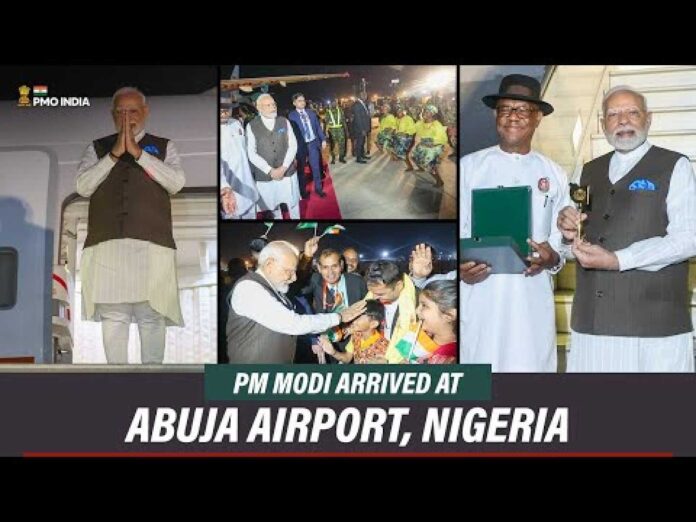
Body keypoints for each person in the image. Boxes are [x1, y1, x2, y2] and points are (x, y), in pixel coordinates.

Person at [557, 85, 696, 372]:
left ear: (648, 119)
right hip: (591, 323)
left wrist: (620, 259)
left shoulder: (674, 165)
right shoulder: (587, 170)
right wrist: (568, 233)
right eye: (613, 114)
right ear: (602, 124)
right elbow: (574, 245)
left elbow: (689, 238)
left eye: (632, 112)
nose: (622, 120)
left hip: (655, 327)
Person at [460, 74, 571, 372]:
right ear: (496, 115)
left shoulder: (555, 174)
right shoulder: (468, 168)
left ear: (537, 119)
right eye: (506, 109)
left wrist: (553, 256)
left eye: (523, 110)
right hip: (480, 295)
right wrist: (461, 268)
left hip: (530, 297)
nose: (513, 117)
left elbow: (562, 240)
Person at [76, 86, 185, 364]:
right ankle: (118, 386)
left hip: (152, 247)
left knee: (151, 317)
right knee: (114, 319)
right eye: (121, 111)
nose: (127, 117)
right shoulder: (97, 147)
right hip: (107, 247)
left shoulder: (163, 146)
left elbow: (175, 183)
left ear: (145, 112)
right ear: (113, 115)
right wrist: (113, 155)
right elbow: (83, 186)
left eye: (133, 110)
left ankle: (152, 386)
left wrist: (138, 153)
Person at [227, 241, 366, 363]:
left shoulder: (274, 287)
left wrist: (306, 256)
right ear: (269, 265)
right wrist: (340, 317)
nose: (293, 278)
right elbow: (293, 323)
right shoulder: (249, 289)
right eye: (289, 271)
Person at [246, 94, 300, 219]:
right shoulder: (251, 126)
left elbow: (293, 145)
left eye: (274, 104)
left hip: (287, 172)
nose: (273, 107)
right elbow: (251, 153)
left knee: (293, 204)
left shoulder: (284, 121)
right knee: (273, 206)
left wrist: (284, 167)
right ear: (259, 108)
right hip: (266, 176)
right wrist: (270, 170)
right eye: (268, 105)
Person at [364, 261, 419, 363]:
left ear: (399, 286)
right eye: (372, 292)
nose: (375, 297)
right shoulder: (372, 297)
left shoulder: (418, 306)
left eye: (381, 294)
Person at [317, 300, 389, 364]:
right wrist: (333, 352)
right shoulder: (356, 335)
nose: (353, 320)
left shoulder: (383, 346)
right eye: (354, 317)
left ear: (373, 324)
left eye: (358, 318)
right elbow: (347, 358)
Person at [220, 105, 258, 219]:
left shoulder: (236, 123)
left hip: (247, 184)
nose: (224, 113)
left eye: (227, 109)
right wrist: (224, 187)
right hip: (228, 190)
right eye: (221, 110)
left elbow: (245, 152)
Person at [288, 93, 328, 198]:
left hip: (312, 144)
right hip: (300, 146)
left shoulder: (311, 113)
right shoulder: (291, 116)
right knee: (301, 170)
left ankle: (318, 189)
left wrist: (323, 139)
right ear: (294, 103)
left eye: (303, 100)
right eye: (300, 100)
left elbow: (318, 127)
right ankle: (303, 191)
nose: (302, 102)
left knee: (315, 167)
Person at [416, 280, 457, 364]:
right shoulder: (418, 335)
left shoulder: (450, 360)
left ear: (449, 315)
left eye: (424, 305)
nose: (417, 311)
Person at [411, 105, 449, 186]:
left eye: (427, 112)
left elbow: (443, 138)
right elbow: (412, 129)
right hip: (424, 144)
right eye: (424, 111)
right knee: (414, 156)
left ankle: (439, 181)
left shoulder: (436, 124)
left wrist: (431, 142)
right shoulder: (421, 122)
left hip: (435, 146)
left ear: (432, 114)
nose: (424, 113)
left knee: (429, 165)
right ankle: (421, 168)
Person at [324, 98, 348, 164]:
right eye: (333, 103)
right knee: (332, 146)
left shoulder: (340, 110)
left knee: (342, 145)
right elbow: (326, 123)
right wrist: (325, 133)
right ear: (331, 104)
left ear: (337, 103)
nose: (334, 103)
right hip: (332, 131)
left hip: (340, 130)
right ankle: (333, 158)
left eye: (335, 102)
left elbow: (343, 121)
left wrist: (346, 131)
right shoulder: (328, 112)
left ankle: (341, 157)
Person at [351, 95, 372, 164]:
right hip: (360, 129)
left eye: (366, 94)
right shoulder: (357, 105)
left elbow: (365, 115)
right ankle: (358, 158)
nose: (365, 96)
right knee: (359, 143)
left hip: (364, 128)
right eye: (363, 95)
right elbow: (358, 119)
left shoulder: (363, 103)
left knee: (362, 142)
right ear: (360, 96)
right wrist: (362, 129)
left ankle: (362, 155)